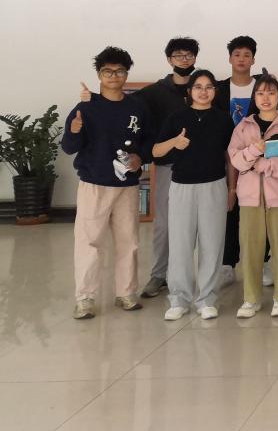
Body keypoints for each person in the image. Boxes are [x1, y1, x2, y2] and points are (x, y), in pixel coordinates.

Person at [62, 46, 152, 320]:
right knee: (88, 242)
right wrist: (74, 130)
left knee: (129, 241)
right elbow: (69, 147)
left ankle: (126, 292)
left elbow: (148, 142)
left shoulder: (138, 107)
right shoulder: (85, 107)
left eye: (120, 71)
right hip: (94, 183)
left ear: (126, 74)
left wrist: (140, 157)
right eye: (107, 71)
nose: (114, 76)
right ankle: (85, 298)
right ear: (99, 75)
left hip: (127, 186)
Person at [152, 70, 233, 320]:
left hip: (214, 186)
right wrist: (174, 142)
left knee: (212, 244)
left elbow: (230, 157)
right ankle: (179, 299)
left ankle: (207, 299)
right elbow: (156, 151)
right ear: (189, 92)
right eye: (198, 86)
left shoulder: (223, 120)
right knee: (180, 244)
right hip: (182, 187)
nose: (203, 91)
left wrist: (232, 189)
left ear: (214, 91)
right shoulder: (177, 118)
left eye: (209, 87)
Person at [228, 75, 278, 318]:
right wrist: (253, 151)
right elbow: (236, 159)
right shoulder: (243, 126)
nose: (266, 98)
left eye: (271, 93)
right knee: (250, 248)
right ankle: (251, 299)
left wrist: (266, 165)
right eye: (260, 93)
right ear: (255, 97)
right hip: (250, 197)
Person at [136, 37, 199, 300]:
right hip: (168, 166)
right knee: (164, 223)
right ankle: (159, 274)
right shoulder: (153, 93)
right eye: (178, 55)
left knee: (198, 225)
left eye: (189, 55)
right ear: (169, 59)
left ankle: (193, 275)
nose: (184, 60)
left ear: (195, 58)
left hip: (202, 167)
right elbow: (125, 109)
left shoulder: (203, 87)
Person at [214, 35, 258, 288]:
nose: (241, 59)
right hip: (223, 158)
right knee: (228, 210)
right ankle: (227, 264)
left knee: (256, 210)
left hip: (254, 158)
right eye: (237, 54)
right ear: (230, 58)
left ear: (253, 59)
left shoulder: (262, 86)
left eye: (247, 55)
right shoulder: (218, 88)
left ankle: (262, 261)